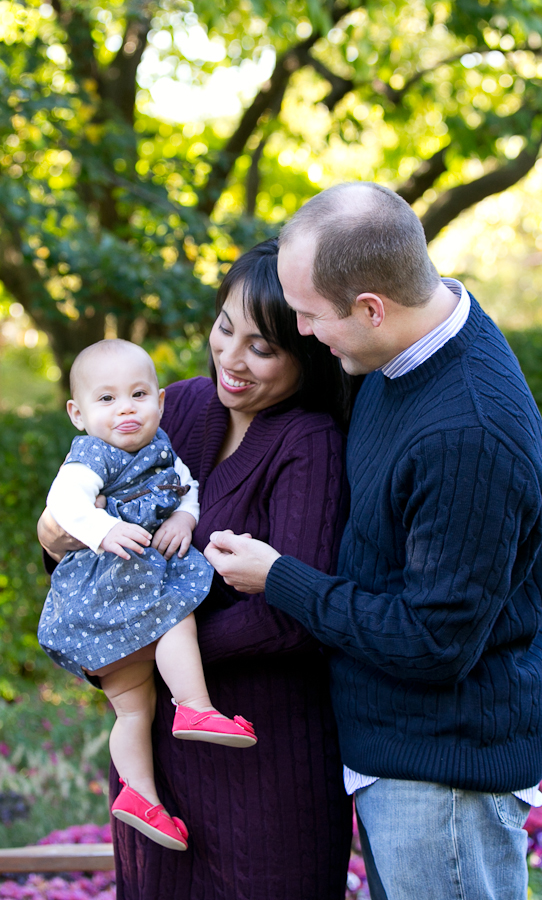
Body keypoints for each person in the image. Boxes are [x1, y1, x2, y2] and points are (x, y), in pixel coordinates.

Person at [204, 183, 542, 900]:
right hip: (400, 759)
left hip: (443, 777)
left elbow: (433, 642)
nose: (303, 333)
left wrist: (280, 578)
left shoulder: (468, 434)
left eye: (308, 315)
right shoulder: (400, 354)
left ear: (371, 308)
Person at [38, 239, 353, 900]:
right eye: (224, 328)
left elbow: (292, 618)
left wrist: (145, 647)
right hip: (160, 768)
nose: (230, 359)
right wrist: (56, 540)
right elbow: (95, 525)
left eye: (262, 348)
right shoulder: (173, 407)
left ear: (309, 352)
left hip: (262, 770)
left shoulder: (309, 444)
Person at [39, 339, 257, 852]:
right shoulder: (91, 455)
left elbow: (187, 488)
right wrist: (101, 530)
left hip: (123, 591)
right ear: (77, 413)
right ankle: (195, 705)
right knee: (176, 608)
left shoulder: (160, 447)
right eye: (107, 399)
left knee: (133, 708)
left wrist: (184, 517)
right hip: (105, 584)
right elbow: (63, 503)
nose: (126, 409)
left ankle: (141, 797)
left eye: (138, 395)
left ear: (159, 401)